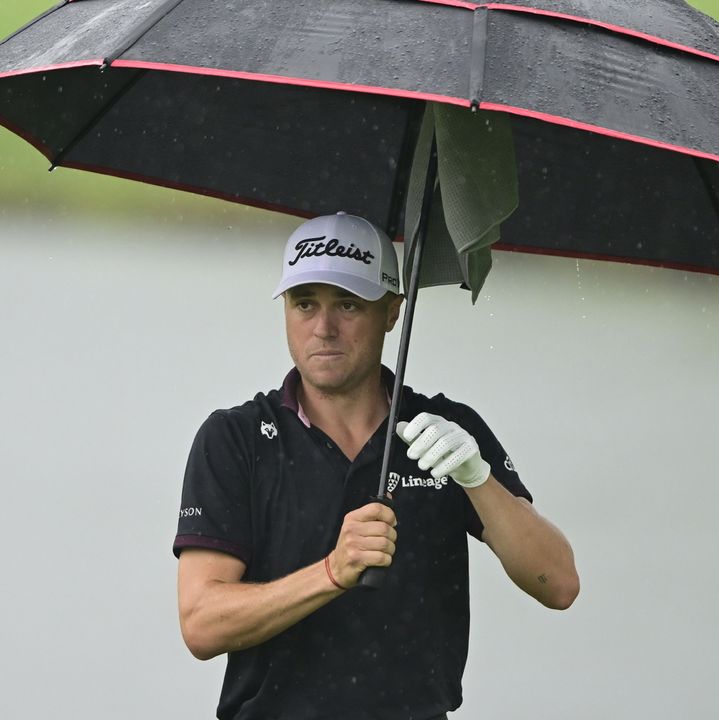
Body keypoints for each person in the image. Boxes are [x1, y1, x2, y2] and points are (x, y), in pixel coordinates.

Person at [174, 212, 579, 720]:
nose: (324, 328)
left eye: (348, 304)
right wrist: (332, 572)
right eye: (305, 304)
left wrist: (478, 479)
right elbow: (202, 624)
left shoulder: (446, 430)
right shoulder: (235, 438)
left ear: (392, 311)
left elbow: (558, 583)